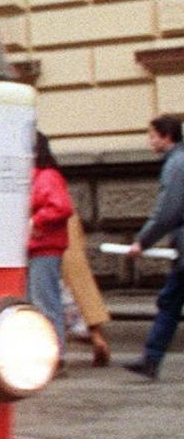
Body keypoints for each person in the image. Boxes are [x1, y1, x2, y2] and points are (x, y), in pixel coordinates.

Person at [125, 113, 184, 378]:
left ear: (166, 136)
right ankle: (151, 358)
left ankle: (152, 358)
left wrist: (142, 241)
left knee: (170, 302)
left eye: (152, 136)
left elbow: (167, 211)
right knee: (170, 301)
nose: (150, 142)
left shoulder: (176, 164)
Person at [27, 134, 73, 361]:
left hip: (43, 246)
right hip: (41, 246)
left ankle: (55, 355)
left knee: (45, 303)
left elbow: (61, 207)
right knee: (42, 302)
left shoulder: (46, 176)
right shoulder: (44, 176)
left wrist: (36, 221)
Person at [60, 213, 112, 367]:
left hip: (52, 247)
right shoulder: (67, 204)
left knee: (57, 299)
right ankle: (97, 338)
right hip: (72, 251)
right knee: (83, 296)